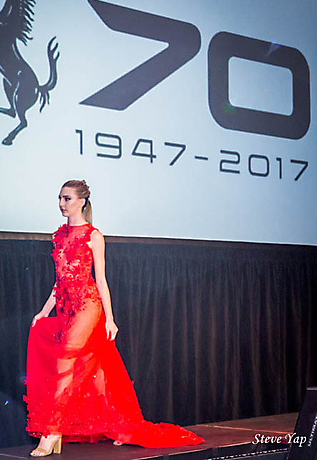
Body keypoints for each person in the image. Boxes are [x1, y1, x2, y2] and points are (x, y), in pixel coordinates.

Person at [24, 179, 204, 457]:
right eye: (60, 198)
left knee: (65, 363)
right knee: (96, 373)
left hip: (88, 306)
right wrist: (44, 311)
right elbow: (60, 281)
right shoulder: (58, 236)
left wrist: (109, 317)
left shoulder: (93, 236)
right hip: (65, 309)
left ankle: (52, 432)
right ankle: (119, 426)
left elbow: (101, 280)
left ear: (82, 201)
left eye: (67, 198)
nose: (62, 204)